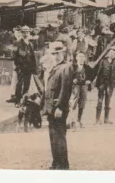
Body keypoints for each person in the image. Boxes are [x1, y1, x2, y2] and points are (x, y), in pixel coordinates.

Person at [43, 41, 74, 170]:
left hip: (58, 107)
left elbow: (65, 89)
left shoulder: (66, 67)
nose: (55, 56)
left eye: (57, 53)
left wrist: (60, 106)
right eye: (53, 53)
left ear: (63, 53)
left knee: (60, 137)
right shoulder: (53, 67)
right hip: (51, 107)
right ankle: (55, 162)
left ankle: (63, 165)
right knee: (53, 137)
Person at [94, 47, 115, 124]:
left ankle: (106, 119)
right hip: (102, 83)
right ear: (108, 53)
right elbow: (98, 73)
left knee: (108, 101)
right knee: (100, 101)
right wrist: (97, 84)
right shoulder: (103, 61)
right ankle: (97, 119)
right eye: (111, 53)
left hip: (111, 85)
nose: (113, 54)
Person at [69, 51, 94, 129]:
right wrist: (72, 80)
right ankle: (71, 121)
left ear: (85, 58)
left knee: (82, 102)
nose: (81, 58)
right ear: (76, 58)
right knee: (73, 102)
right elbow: (67, 76)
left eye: (82, 57)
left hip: (84, 86)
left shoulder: (87, 67)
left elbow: (93, 74)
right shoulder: (72, 67)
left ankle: (79, 120)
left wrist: (89, 80)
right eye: (79, 56)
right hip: (75, 86)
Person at [13, 26, 37, 105]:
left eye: (27, 32)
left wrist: (34, 68)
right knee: (20, 84)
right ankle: (17, 101)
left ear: (29, 33)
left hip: (29, 68)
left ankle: (24, 100)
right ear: (21, 33)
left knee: (27, 84)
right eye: (24, 32)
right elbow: (14, 56)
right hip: (21, 67)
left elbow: (33, 57)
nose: (25, 34)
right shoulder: (17, 43)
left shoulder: (31, 44)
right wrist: (18, 66)